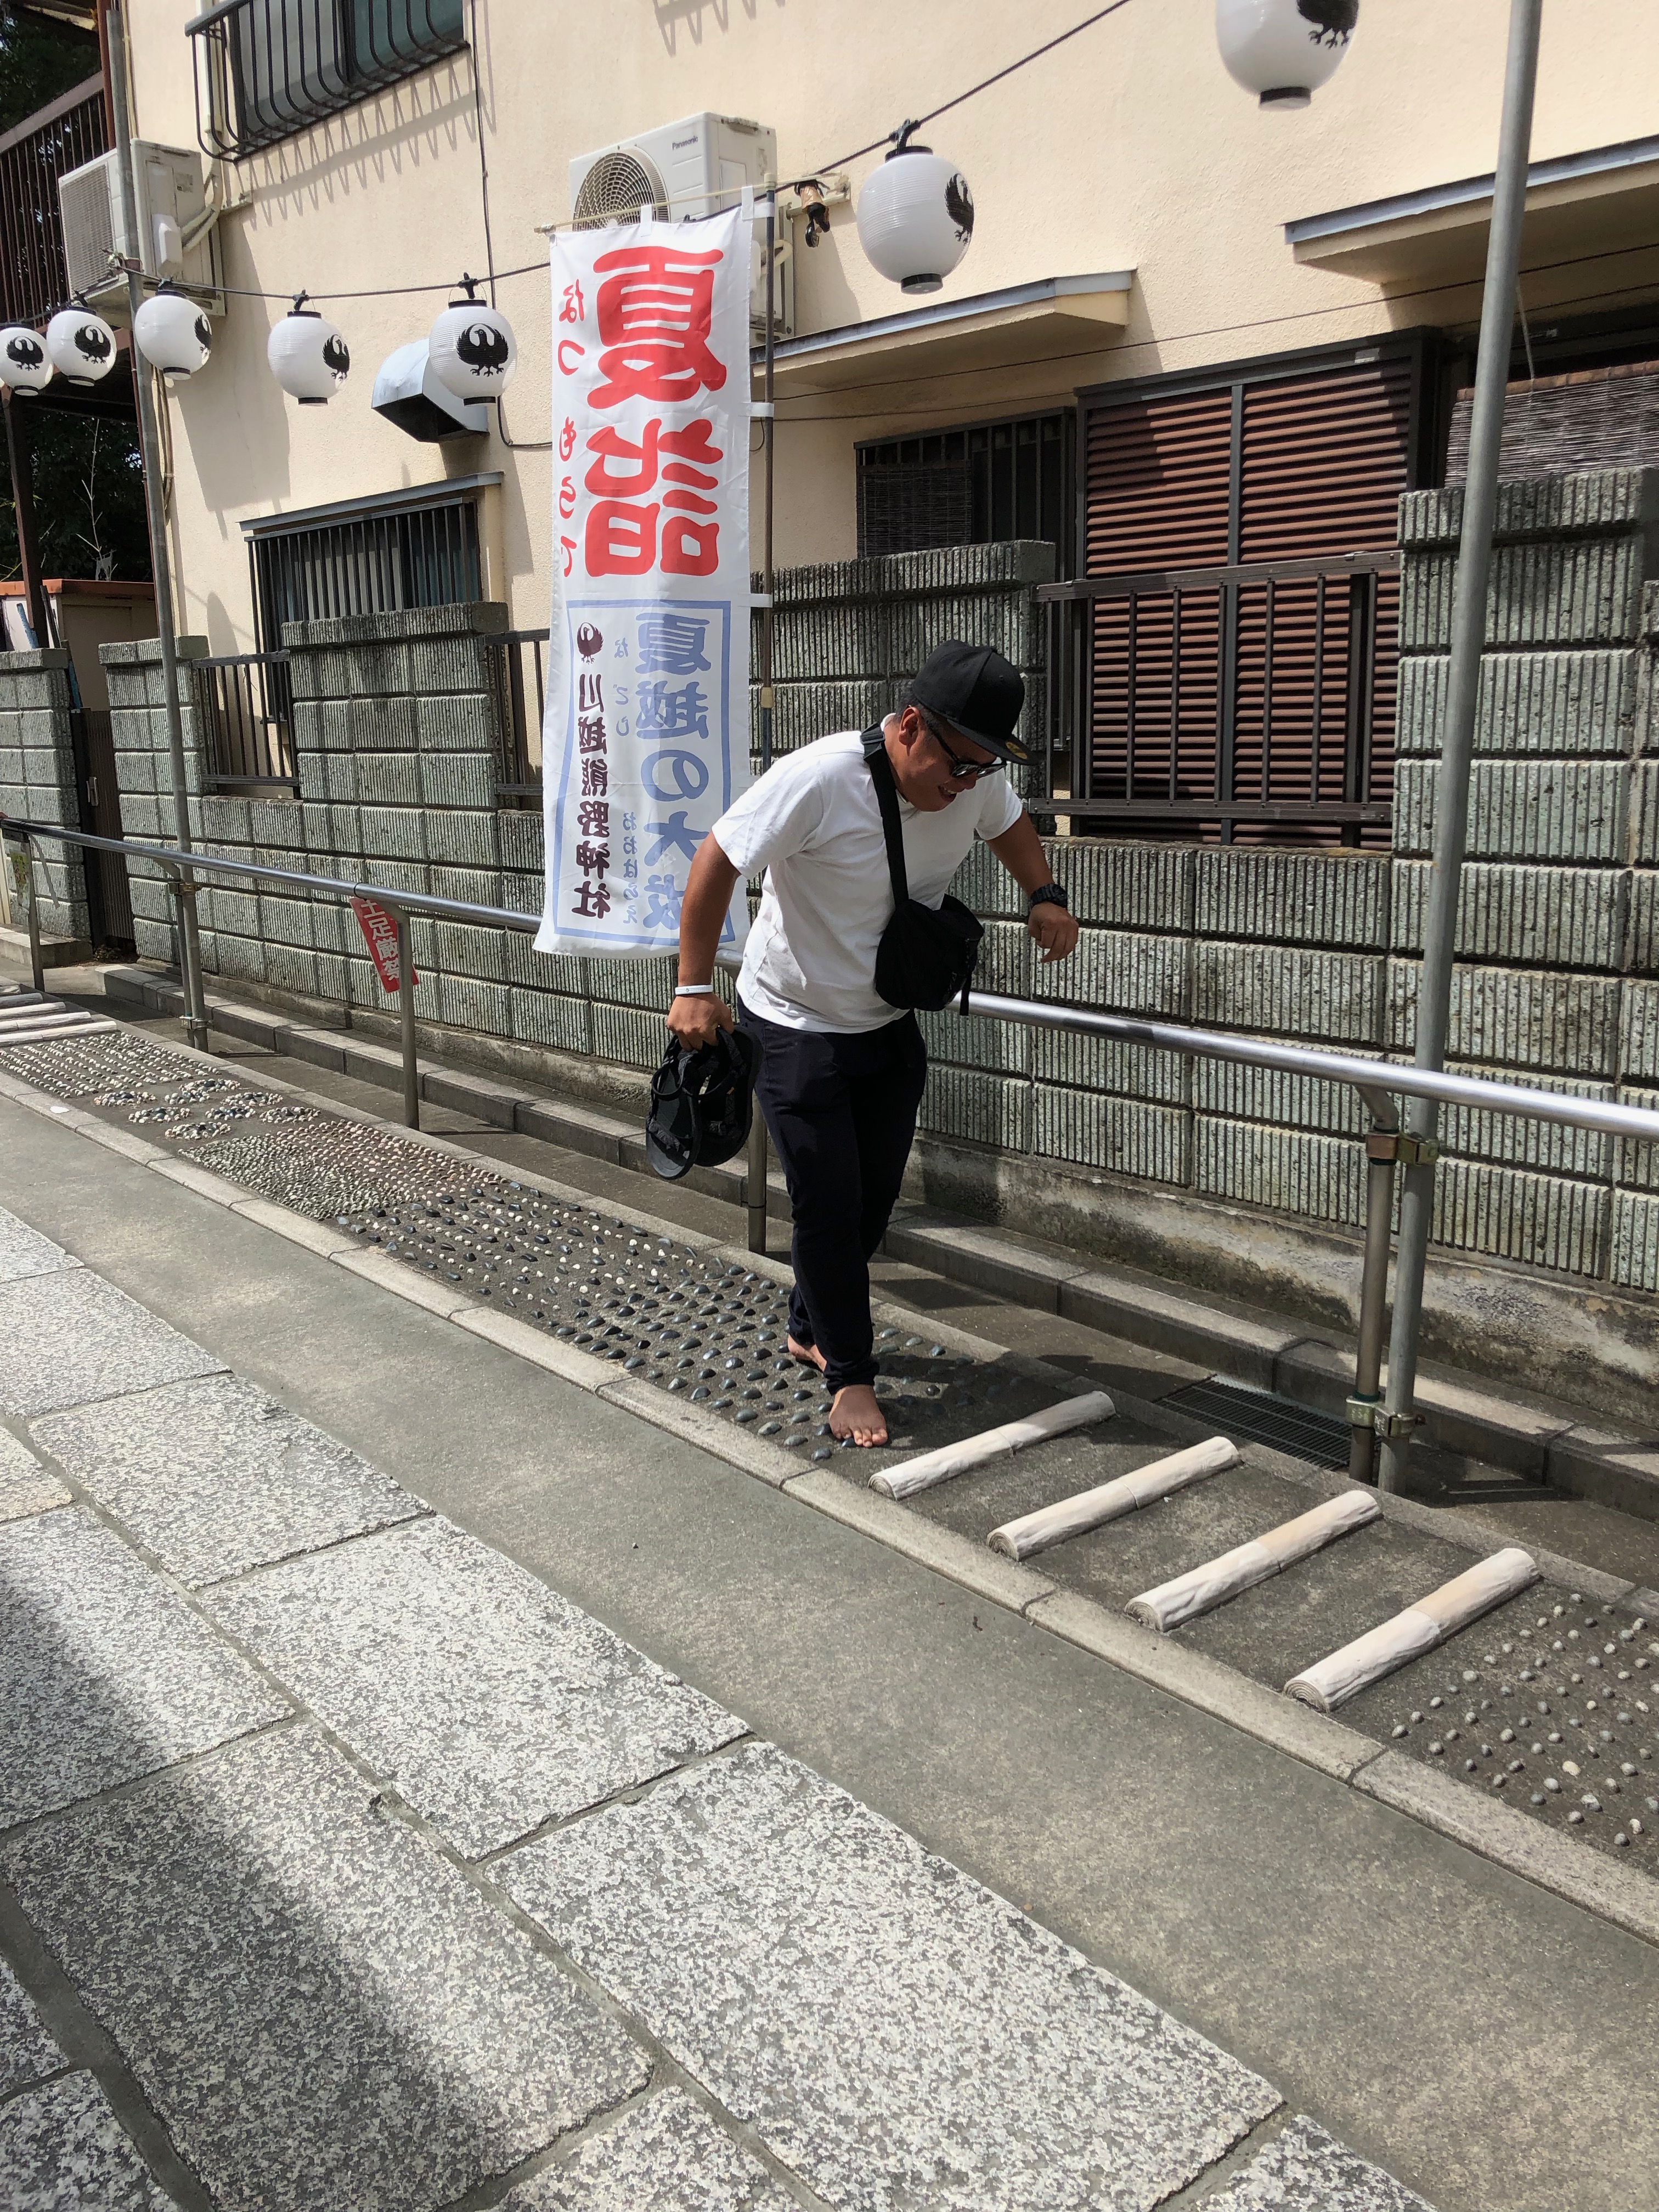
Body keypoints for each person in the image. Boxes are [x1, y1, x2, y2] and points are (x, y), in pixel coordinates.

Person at [668, 640, 1079, 1446]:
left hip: (886, 1019)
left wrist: (1046, 892)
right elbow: (719, 858)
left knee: (874, 1196)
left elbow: (1011, 823)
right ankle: (851, 1373)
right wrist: (691, 987)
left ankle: (810, 1323)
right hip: (793, 1021)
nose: (965, 785)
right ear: (912, 727)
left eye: (981, 769)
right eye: (957, 766)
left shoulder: (975, 779)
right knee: (827, 1201)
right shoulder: (821, 778)